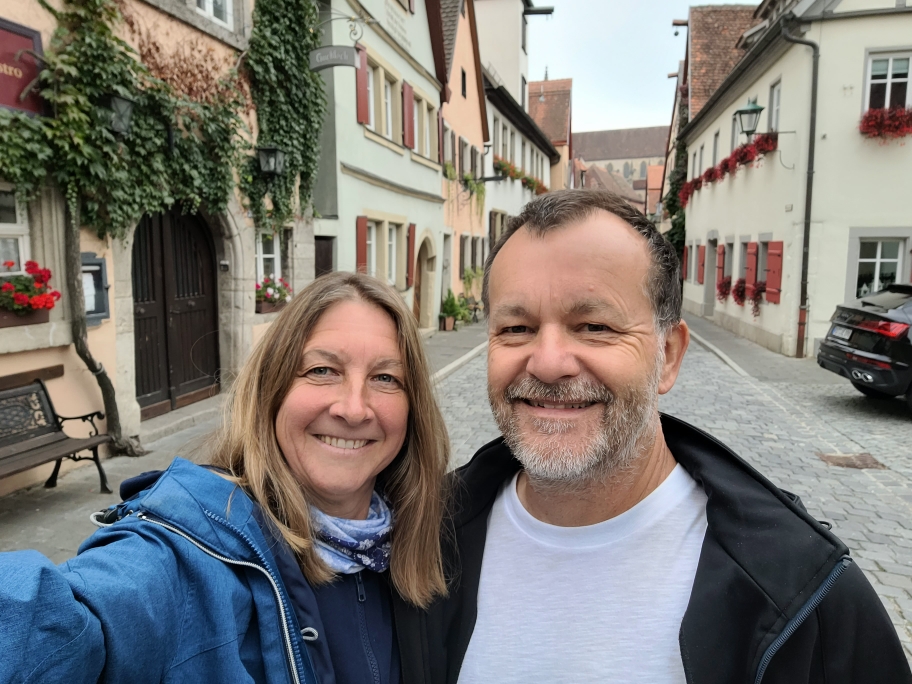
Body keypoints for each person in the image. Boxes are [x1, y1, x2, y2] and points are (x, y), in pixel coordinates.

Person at [395, 189, 912, 684]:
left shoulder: (807, 596)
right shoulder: (421, 542)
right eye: (515, 329)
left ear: (669, 354)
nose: (548, 363)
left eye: (594, 326)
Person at [0, 272, 450, 684]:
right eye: (321, 370)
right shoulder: (188, 554)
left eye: (386, 377)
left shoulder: (432, 541)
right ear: (271, 390)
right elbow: (68, 620)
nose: (354, 408)